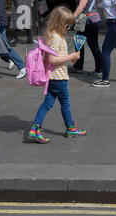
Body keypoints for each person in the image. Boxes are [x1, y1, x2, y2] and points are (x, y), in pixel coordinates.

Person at [27, 6, 87, 144]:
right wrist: (71, 55)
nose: (68, 28)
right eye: (67, 25)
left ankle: (35, 128)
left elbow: (55, 57)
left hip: (52, 77)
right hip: (58, 78)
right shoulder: (56, 38)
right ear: (59, 23)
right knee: (65, 104)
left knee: (47, 104)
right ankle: (70, 128)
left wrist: (71, 58)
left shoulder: (53, 35)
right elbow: (52, 60)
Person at [69, 0, 103, 76]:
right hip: (85, 21)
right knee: (79, 42)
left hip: (90, 21)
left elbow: (81, 6)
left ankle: (99, 69)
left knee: (93, 45)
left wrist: (72, 18)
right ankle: (78, 66)